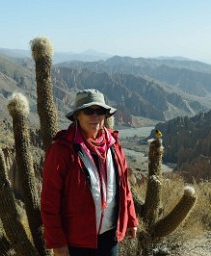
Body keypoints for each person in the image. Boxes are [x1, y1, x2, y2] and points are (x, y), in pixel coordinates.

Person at [41, 89, 139, 256]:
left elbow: (124, 186)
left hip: (109, 237)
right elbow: (50, 200)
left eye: (100, 111)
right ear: (78, 115)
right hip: (76, 241)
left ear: (106, 116)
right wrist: (57, 243)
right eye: (88, 111)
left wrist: (130, 219)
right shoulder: (62, 150)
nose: (95, 117)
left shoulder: (114, 146)